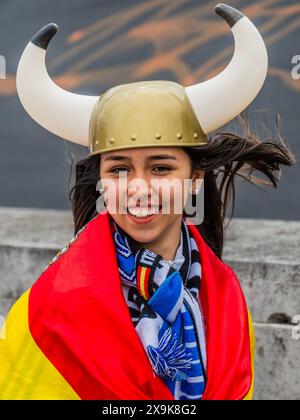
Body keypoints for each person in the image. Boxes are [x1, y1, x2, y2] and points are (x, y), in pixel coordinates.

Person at [0, 4, 295, 400]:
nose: (139, 188)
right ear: (102, 179)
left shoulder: (226, 296)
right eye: (119, 169)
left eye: (160, 168)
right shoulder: (51, 309)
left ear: (194, 178)